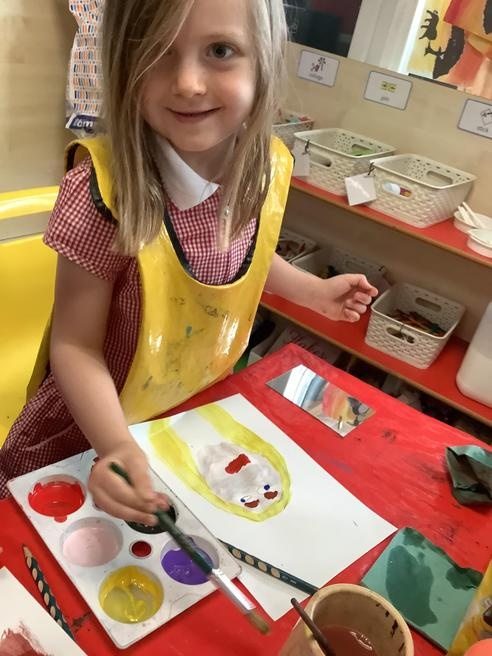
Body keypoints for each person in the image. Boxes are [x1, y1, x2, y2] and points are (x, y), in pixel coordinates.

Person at [0, 0, 377, 525]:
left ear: (264, 60)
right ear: (123, 62)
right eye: (157, 52)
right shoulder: (102, 192)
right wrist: (114, 445)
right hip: (95, 428)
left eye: (220, 51)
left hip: (189, 411)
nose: (188, 84)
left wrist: (311, 291)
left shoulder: (264, 167)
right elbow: (75, 346)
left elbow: (237, 257)